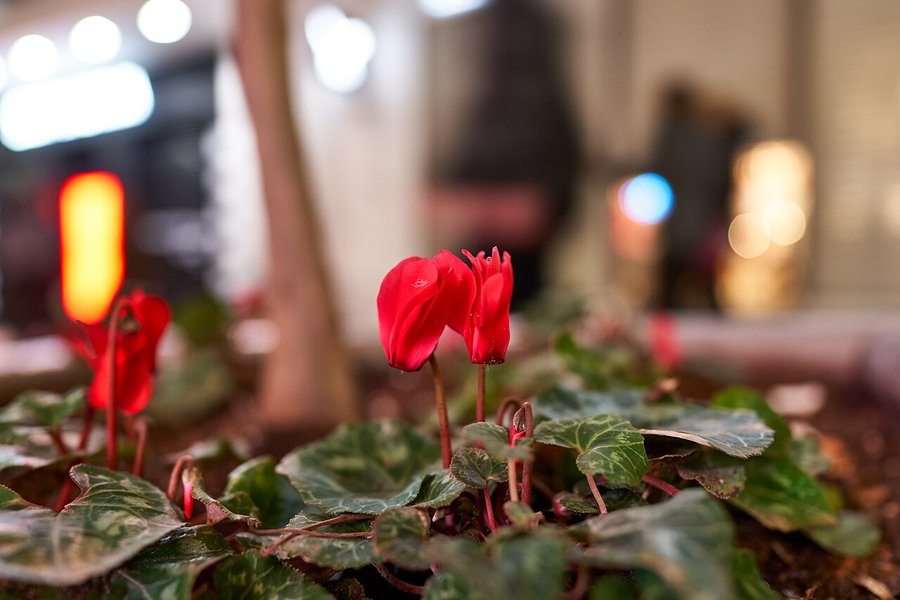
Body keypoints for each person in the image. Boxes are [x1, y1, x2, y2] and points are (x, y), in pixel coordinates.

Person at [430, 0, 581, 309]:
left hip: (519, 271)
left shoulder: (530, 109)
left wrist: (484, 208)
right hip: (492, 269)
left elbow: (538, 213)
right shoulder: (497, 105)